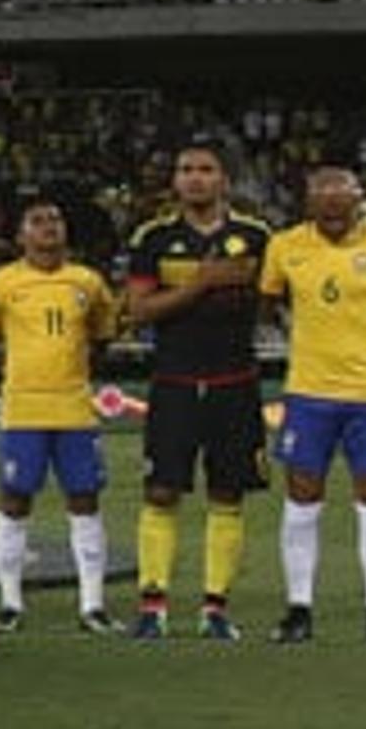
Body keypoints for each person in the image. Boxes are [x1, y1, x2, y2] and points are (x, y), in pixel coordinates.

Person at [259, 166, 366, 646]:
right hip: (308, 392)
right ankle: (298, 610)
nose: (333, 211)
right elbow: (266, 301)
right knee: (302, 496)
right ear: (309, 204)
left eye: (342, 202)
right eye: (323, 202)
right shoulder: (286, 246)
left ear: (357, 202)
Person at [118, 141, 274, 641]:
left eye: (205, 170)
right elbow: (138, 311)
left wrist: (244, 291)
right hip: (175, 382)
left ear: (225, 180)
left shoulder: (255, 236)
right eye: (186, 169)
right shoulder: (155, 237)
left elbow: (273, 302)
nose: (195, 178)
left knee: (227, 493)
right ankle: (153, 605)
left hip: (236, 382)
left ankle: (214, 608)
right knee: (161, 490)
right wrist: (202, 284)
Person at [0, 198, 122, 635]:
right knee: (15, 501)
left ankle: (92, 605)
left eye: (55, 220)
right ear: (21, 235)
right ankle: (9, 603)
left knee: (85, 500)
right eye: (37, 221)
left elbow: (103, 335)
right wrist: (2, 387)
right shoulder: (2, 283)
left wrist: (79, 374)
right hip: (23, 410)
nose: (48, 228)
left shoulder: (87, 282)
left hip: (74, 409)